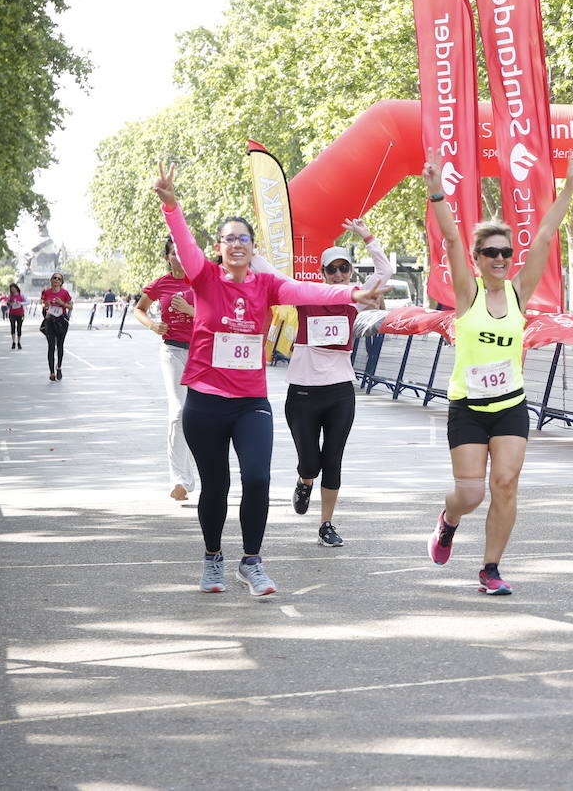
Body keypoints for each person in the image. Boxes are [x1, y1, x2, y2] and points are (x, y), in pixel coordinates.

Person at [152, 161, 387, 598]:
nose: (236, 244)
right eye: (229, 239)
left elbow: (311, 291)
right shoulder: (204, 278)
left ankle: (252, 561)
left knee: (257, 478)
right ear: (219, 247)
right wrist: (171, 206)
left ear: (252, 247)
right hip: (204, 400)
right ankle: (212, 559)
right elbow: (185, 245)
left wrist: (355, 293)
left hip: (249, 403)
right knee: (216, 485)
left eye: (244, 238)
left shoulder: (267, 285)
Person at [423, 149, 573, 595]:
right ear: (477, 258)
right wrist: (437, 191)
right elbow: (451, 240)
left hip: (510, 405)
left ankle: (490, 568)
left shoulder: (518, 293)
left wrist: (569, 185)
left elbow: (547, 234)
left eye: (505, 252)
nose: (499, 258)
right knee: (471, 495)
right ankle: (448, 519)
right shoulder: (466, 294)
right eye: (490, 252)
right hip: (468, 406)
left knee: (506, 484)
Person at [285, 220, 392, 548]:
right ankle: (304, 480)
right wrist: (257, 251)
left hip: (340, 391)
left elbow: (385, 271)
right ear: (322, 273)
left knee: (332, 460)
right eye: (332, 270)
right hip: (303, 391)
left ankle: (326, 524)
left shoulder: (354, 300)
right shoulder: (305, 296)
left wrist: (367, 236)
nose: (339, 275)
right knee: (311, 463)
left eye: (344, 269)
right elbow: (269, 279)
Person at [134, 237, 198, 502]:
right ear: (167, 257)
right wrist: (152, 325)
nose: (180, 257)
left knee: (201, 416)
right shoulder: (162, 283)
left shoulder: (201, 279)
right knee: (178, 413)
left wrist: (190, 310)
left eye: (184, 252)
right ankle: (179, 480)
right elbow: (139, 309)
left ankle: (195, 473)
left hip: (200, 352)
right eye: (175, 253)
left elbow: (217, 313)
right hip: (172, 350)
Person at [40, 273, 73, 381]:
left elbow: (71, 306)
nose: (56, 280)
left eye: (59, 279)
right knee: (51, 346)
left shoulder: (65, 293)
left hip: (61, 321)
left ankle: (59, 367)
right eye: (54, 278)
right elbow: (43, 304)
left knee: (60, 346)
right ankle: (52, 372)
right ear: (51, 280)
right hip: (50, 320)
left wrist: (62, 303)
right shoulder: (47, 292)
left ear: (61, 282)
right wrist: (46, 305)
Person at [6, 283, 26, 349]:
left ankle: (19, 342)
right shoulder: (10, 296)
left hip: (20, 313)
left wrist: (20, 303)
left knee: (19, 328)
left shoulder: (21, 295)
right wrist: (9, 303)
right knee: (13, 327)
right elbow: (8, 304)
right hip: (12, 313)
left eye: (14, 288)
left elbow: (27, 301)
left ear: (16, 288)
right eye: (11, 289)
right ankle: (13, 342)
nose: (13, 290)